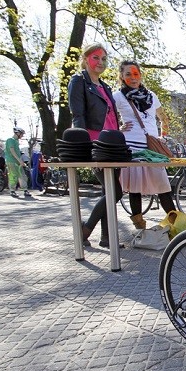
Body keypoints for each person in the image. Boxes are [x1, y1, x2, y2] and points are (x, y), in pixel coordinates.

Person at [67, 43, 123, 248]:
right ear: (85, 59)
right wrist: (85, 147)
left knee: (108, 190)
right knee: (115, 192)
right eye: (96, 58)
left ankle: (107, 237)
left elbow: (110, 117)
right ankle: (86, 229)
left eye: (104, 59)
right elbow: (78, 115)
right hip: (95, 143)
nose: (100, 62)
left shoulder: (104, 86)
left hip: (112, 144)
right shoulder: (78, 81)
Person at [112, 60, 176, 228]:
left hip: (152, 148)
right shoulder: (117, 96)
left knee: (163, 186)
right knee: (135, 188)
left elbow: (164, 118)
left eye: (136, 74)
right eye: (128, 74)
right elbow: (107, 119)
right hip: (132, 146)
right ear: (121, 76)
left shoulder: (151, 95)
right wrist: (118, 128)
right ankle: (140, 228)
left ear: (140, 75)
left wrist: (163, 136)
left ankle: (177, 225)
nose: (133, 78)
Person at [5, 127, 31, 197]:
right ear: (18, 133)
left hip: (18, 162)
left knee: (22, 175)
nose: (22, 136)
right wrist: (20, 161)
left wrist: (21, 161)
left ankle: (25, 190)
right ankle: (12, 191)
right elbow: (12, 151)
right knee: (13, 176)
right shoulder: (10, 140)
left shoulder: (16, 141)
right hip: (11, 161)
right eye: (22, 134)